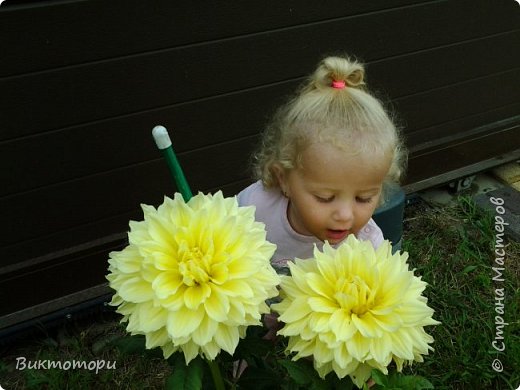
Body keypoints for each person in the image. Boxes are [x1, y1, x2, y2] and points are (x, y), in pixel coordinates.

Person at [237, 55, 406, 274]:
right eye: (325, 198)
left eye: (363, 198)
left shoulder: (366, 249)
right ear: (283, 179)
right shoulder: (252, 208)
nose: (345, 215)